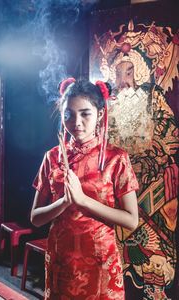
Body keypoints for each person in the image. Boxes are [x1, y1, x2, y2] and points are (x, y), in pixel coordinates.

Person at [30, 78, 139, 300]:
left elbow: (131, 220)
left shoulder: (116, 158)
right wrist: (64, 202)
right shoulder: (52, 157)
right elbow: (36, 218)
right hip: (62, 260)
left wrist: (83, 200)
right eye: (68, 114)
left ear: (100, 113)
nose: (76, 122)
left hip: (100, 261)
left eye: (85, 113)